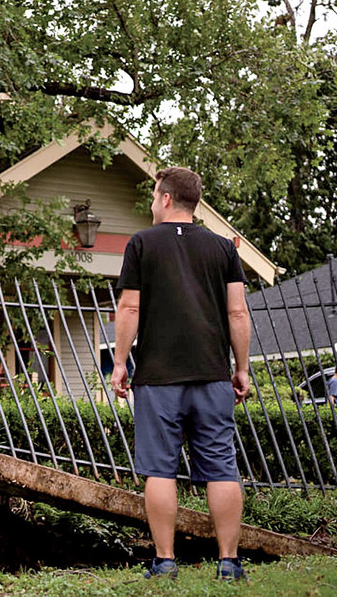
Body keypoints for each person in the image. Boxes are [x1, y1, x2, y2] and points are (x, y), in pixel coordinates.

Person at [110, 167, 252, 582]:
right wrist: (240, 368)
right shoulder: (223, 248)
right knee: (222, 467)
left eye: (155, 196)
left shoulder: (141, 244)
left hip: (157, 377)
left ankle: (165, 562)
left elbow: (130, 308)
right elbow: (238, 312)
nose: (153, 204)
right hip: (211, 375)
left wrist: (120, 362)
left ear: (167, 198)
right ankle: (228, 563)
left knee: (160, 470)